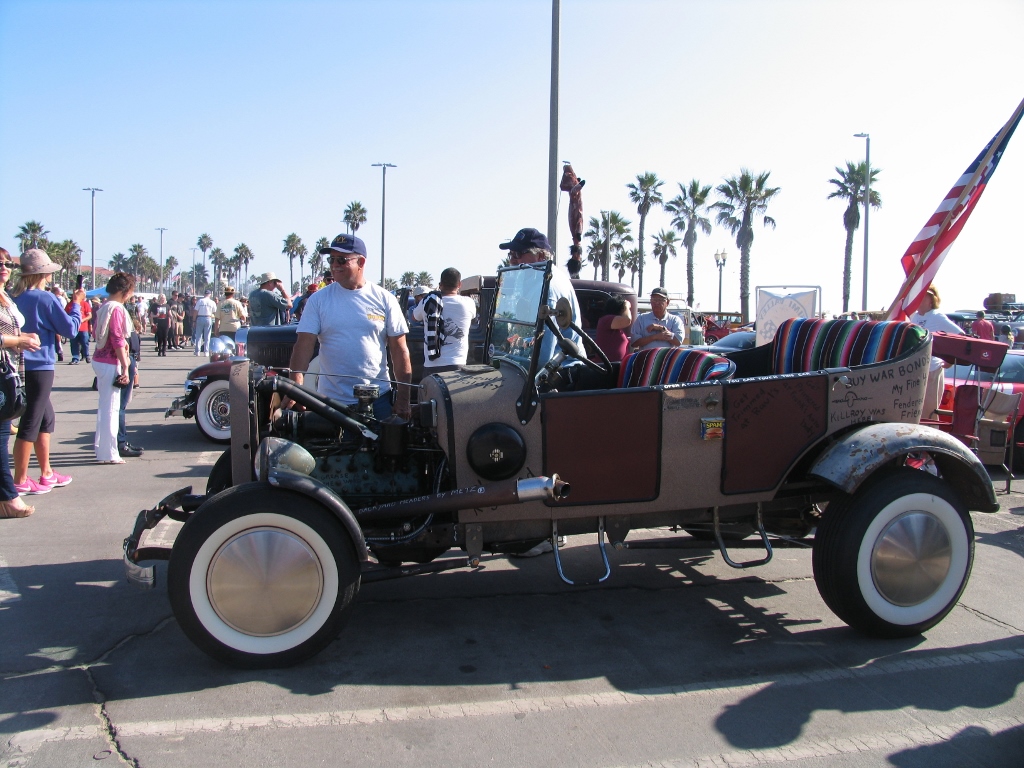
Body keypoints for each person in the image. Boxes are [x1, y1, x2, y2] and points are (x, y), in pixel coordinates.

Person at [287, 234, 412, 420]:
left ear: (361, 262)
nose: (334, 265)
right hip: (331, 403)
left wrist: (403, 398)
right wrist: (295, 387)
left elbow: (399, 350)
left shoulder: (385, 299)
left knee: (382, 449)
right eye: (332, 259)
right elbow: (303, 346)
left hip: (379, 401)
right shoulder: (318, 301)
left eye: (342, 260)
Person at [12, 249, 83, 494]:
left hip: (20, 365)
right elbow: (71, 329)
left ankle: (47, 472)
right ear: (44, 273)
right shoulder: (45, 298)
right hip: (40, 364)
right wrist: (76, 305)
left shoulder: (14, 297)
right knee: (31, 421)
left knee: (44, 417)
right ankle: (20, 479)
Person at [498, 227, 585, 366]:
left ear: (540, 257)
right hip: (548, 369)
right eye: (511, 254)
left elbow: (543, 357)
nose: (513, 260)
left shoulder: (548, 288)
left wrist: (508, 361)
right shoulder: (537, 280)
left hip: (560, 372)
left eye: (518, 254)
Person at [0, 249, 41, 517]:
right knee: (1, 436)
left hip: (9, 371)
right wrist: (19, 341)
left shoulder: (5, 296)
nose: (4, 267)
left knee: (3, 433)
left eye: (6, 263)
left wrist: (23, 335)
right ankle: (9, 498)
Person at [92, 272, 136, 464]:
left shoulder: (103, 306)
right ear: (125, 291)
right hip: (111, 362)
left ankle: (102, 448)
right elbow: (117, 338)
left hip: (100, 360)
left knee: (105, 408)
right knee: (111, 408)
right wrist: (125, 366)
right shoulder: (116, 309)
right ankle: (108, 453)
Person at [412, 267, 476, 376]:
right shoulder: (468, 303)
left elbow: (414, 317)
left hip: (431, 366)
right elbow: (473, 317)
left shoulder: (427, 301)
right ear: (459, 284)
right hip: (457, 364)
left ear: (440, 284)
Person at [117, 316, 144, 458]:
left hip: (130, 357)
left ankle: (121, 441)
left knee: (122, 405)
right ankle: (120, 442)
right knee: (120, 406)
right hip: (126, 359)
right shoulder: (117, 317)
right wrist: (125, 367)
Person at [630, 287, 684, 351]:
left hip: (666, 359)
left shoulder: (675, 320)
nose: (657, 303)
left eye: (660, 300)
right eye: (654, 299)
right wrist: (655, 337)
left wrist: (661, 328)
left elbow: (678, 341)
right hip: (646, 359)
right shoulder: (642, 319)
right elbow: (634, 342)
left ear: (668, 302)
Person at [594, 295, 632, 362]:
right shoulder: (606, 320)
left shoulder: (614, 325)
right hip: (607, 366)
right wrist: (626, 306)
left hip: (616, 366)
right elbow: (627, 320)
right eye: (623, 309)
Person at [65, 288, 92, 364]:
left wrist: (83, 320)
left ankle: (86, 355)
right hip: (73, 328)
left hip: (83, 328)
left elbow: (89, 315)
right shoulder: (70, 305)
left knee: (85, 342)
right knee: (74, 343)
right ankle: (75, 358)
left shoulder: (85, 304)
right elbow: (65, 314)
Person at [193, 289, 217, 356]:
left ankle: (197, 351)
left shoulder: (200, 301)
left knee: (198, 335)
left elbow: (195, 311)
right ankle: (206, 352)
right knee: (207, 336)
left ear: (204, 294)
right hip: (208, 318)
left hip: (200, 317)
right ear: (210, 295)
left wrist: (194, 320)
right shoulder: (212, 302)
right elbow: (215, 312)